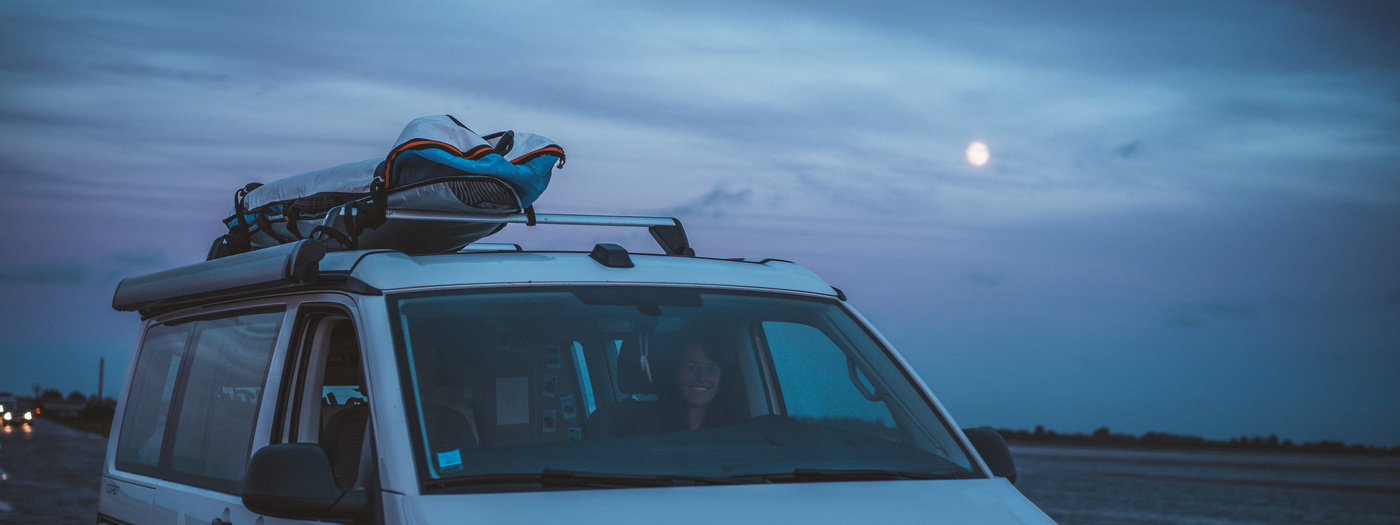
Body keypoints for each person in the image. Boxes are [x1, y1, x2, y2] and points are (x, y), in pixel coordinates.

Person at [623, 338, 743, 436]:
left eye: (711, 369)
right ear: (677, 375)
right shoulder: (646, 430)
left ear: (722, 378)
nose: (702, 377)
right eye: (692, 367)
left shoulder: (736, 430)